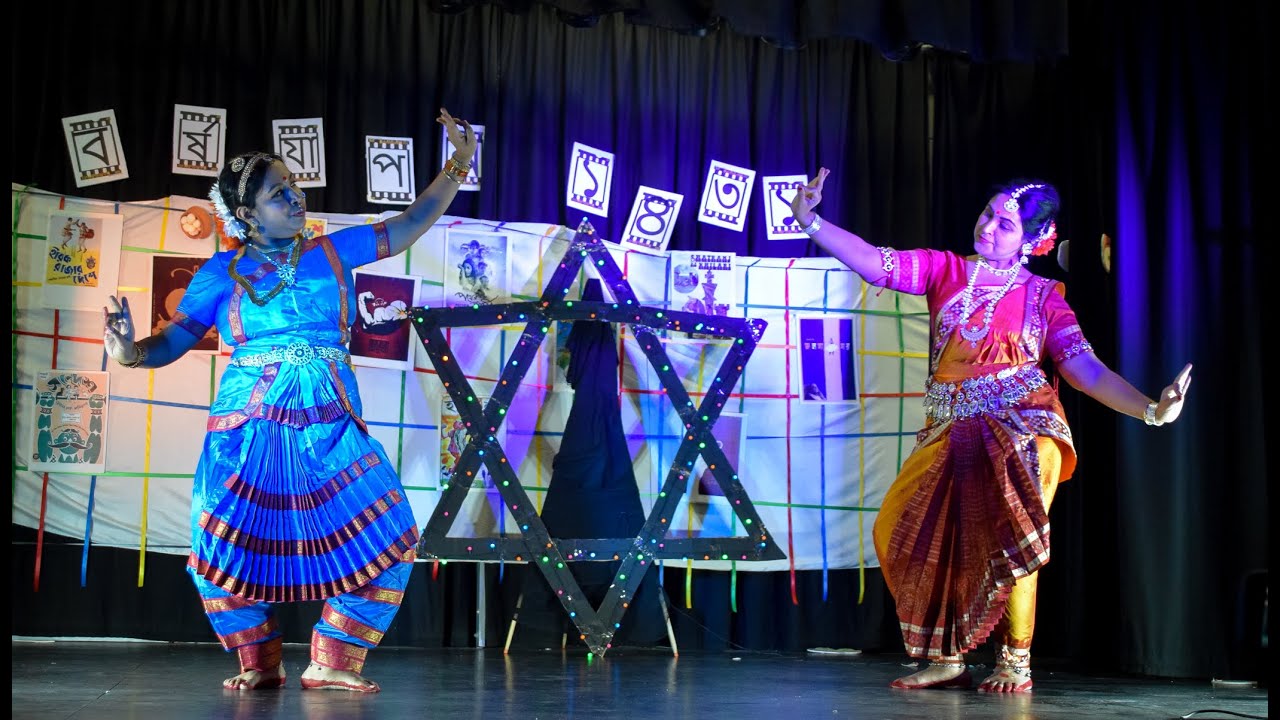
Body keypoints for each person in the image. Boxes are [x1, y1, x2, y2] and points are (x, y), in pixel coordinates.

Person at [101, 108, 478, 692]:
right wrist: (129, 350)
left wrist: (460, 162)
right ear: (247, 214)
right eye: (280, 193)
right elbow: (171, 342)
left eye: (294, 186)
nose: (296, 197)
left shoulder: (334, 251)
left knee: (391, 536)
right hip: (247, 428)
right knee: (220, 549)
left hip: (331, 423)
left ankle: (333, 659)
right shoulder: (221, 271)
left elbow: (412, 221)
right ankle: (258, 662)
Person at [790, 169, 1192, 693]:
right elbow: (873, 262)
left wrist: (1149, 410)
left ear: (1033, 241)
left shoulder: (1046, 296)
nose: (987, 228)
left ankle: (1016, 661)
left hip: (1024, 425)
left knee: (1013, 533)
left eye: (1005, 224)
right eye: (987, 214)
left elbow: (1085, 369)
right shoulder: (945, 270)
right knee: (899, 530)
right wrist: (810, 220)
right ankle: (946, 655)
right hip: (949, 425)